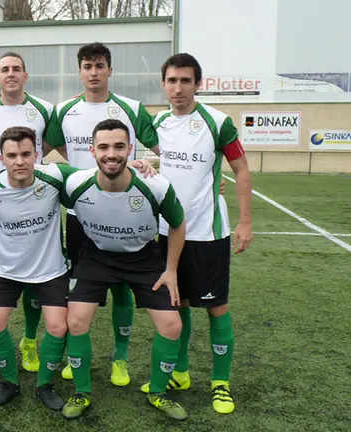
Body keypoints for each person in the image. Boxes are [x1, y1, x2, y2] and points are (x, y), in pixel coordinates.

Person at [139, 53, 253, 416]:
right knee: (178, 302)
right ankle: (181, 374)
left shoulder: (217, 122)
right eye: (171, 81)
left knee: (216, 306)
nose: (178, 88)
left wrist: (246, 222)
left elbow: (242, 169)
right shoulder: (159, 124)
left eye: (185, 81)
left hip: (207, 232)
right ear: (163, 84)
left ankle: (221, 384)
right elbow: (166, 162)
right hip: (168, 230)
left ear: (197, 84)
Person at [44, 42, 159, 385]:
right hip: (81, 214)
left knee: (123, 287)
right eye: (87, 66)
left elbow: (167, 150)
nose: (93, 72)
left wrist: (150, 165)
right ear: (79, 72)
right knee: (79, 288)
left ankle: (120, 359)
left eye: (99, 66)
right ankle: (76, 353)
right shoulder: (63, 110)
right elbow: (47, 149)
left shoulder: (132, 108)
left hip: (128, 212)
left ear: (110, 70)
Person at [62, 119, 187, 420]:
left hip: (143, 258)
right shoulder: (74, 183)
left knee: (173, 326)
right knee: (76, 322)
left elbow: (178, 223)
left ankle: (158, 393)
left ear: (130, 149)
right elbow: (29, 175)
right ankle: (82, 391)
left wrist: (170, 270)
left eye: (119, 146)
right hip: (97, 256)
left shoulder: (155, 186)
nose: (111, 154)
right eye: (103, 147)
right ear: (91, 150)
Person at [0, 51, 57, 373]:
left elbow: (56, 150)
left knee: (36, 275)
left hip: (36, 206)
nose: (11, 74)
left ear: (26, 75)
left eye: (17, 69)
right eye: (5, 69)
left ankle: (30, 341)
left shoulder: (45, 110)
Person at [0, 126, 74, 409]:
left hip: (50, 268)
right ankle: (10, 383)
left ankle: (45, 385)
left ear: (37, 154)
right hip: (6, 268)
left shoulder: (54, 177)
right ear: (1, 158)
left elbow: (95, 177)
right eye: (12, 155)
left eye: (26, 154)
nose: (20, 161)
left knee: (57, 327)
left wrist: (136, 166)